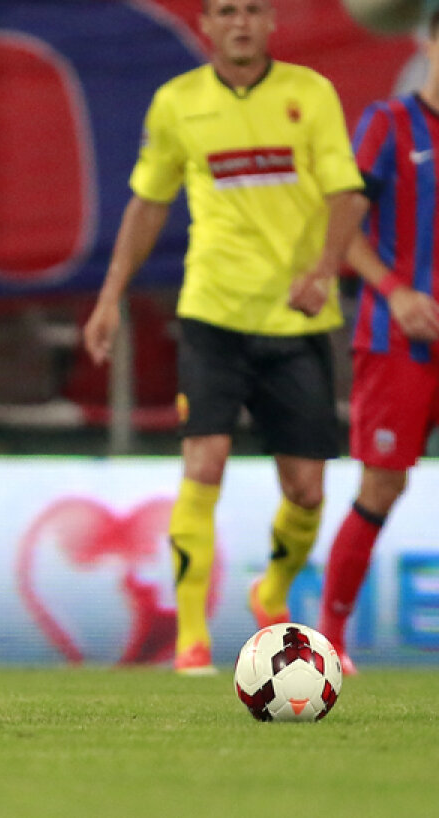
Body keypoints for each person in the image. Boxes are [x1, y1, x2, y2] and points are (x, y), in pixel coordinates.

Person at [82, 0, 367, 675]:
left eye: (252, 10)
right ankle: (190, 638)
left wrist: (325, 269)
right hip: (212, 313)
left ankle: (270, 592)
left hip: (296, 320)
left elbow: (347, 193)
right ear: (207, 25)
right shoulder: (177, 103)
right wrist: (109, 296)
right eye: (226, 11)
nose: (240, 22)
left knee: (305, 491)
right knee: (202, 464)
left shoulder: (310, 94)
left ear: (272, 23)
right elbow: (148, 203)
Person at [317, 10, 439, 675]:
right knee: (381, 486)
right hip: (398, 342)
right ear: (428, 44)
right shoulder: (389, 126)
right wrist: (395, 290)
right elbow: (343, 232)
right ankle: (332, 635)